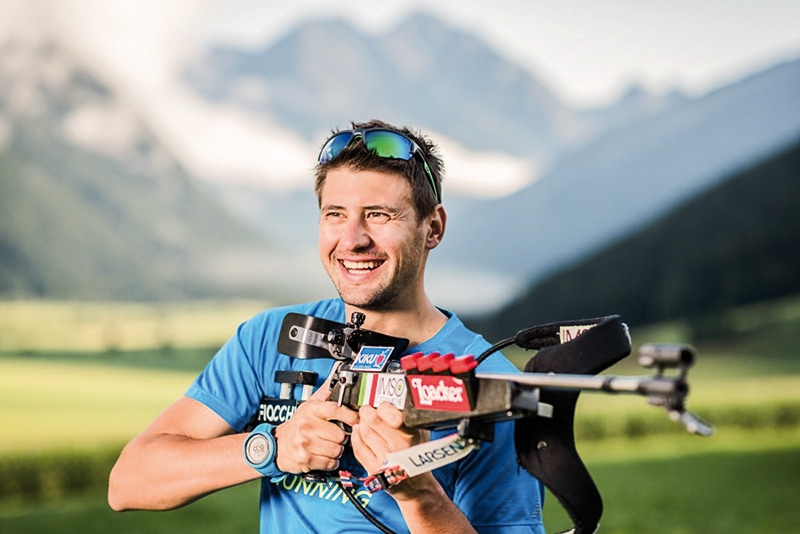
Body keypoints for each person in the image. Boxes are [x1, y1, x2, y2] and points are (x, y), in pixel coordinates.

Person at [108, 119, 546, 533]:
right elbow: (129, 482)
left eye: (378, 215)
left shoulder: (488, 386)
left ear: (433, 227)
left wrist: (420, 496)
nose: (352, 239)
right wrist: (272, 448)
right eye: (335, 213)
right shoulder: (272, 337)